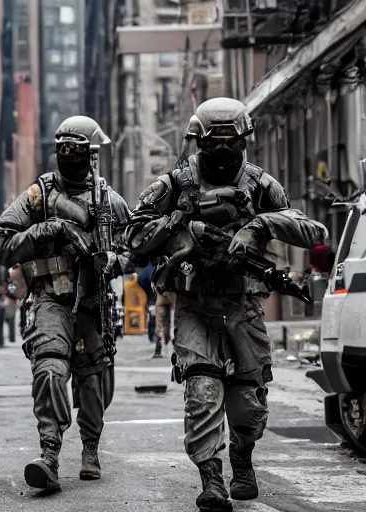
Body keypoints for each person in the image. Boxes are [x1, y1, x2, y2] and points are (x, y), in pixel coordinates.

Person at [126, 97, 328, 512]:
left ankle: (242, 455)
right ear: (198, 141)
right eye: (212, 142)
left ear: (244, 141)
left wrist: (260, 224)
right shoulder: (176, 184)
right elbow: (132, 234)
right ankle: (211, 478)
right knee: (202, 389)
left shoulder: (260, 185)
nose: (221, 150)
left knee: (249, 404)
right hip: (194, 303)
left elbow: (314, 231)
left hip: (243, 305)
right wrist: (179, 226)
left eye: (230, 142)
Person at [0, 115, 132, 490]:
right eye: (62, 148)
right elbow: (0, 245)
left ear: (91, 154)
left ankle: (90, 449)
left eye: (75, 148)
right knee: (50, 369)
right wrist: (48, 229)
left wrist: (115, 260)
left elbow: (139, 243)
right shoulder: (38, 195)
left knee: (91, 381)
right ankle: (50, 454)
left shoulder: (108, 199)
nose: (67, 155)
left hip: (92, 301)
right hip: (51, 299)